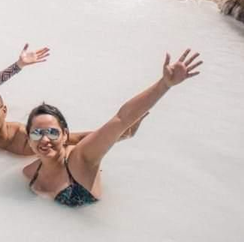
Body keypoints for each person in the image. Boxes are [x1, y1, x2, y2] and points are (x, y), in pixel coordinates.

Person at [22, 49, 202, 207]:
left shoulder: (81, 157)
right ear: (29, 139)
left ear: (65, 135)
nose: (45, 140)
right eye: (37, 133)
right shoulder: (29, 172)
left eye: (53, 132)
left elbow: (121, 118)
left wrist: (164, 84)